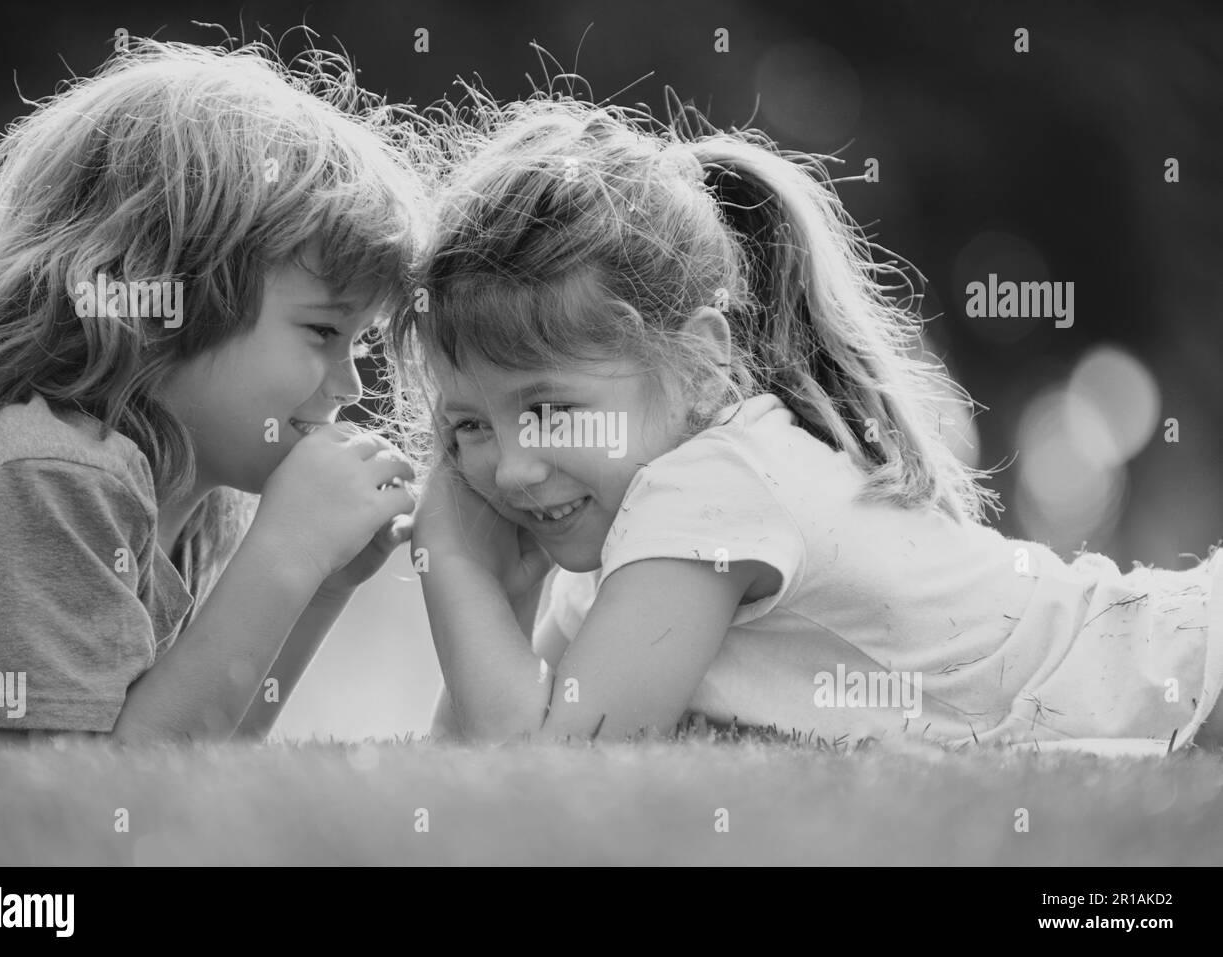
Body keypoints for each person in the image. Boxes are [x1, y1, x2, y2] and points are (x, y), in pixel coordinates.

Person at [390, 96, 1223, 752]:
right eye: (467, 427)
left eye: (548, 411)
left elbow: (547, 771)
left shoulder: (712, 489)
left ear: (701, 362)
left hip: (1187, 672)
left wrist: (454, 556)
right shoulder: (629, 540)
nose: (509, 470)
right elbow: (468, 765)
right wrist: (511, 579)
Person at [0, 38, 423, 742]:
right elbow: (83, 803)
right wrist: (287, 552)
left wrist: (319, 585)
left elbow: (187, 761)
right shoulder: (40, 472)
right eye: (321, 332)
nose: (348, 384)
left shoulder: (177, 487)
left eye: (360, 343)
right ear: (164, 299)